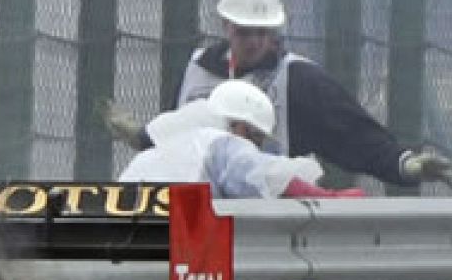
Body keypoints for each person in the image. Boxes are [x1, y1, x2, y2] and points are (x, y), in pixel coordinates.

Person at [103, 0, 452, 189]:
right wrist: (144, 137)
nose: (254, 41)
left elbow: (354, 134)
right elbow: (181, 146)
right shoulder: (197, 71)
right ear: (225, 25)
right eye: (244, 31)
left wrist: (403, 164)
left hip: (263, 221)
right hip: (195, 218)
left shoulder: (297, 80)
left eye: (263, 31)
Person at [119, 80, 362, 199]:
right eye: (257, 139)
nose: (256, 148)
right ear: (241, 128)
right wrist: (329, 198)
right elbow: (264, 176)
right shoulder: (219, 144)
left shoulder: (156, 152)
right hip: (173, 247)